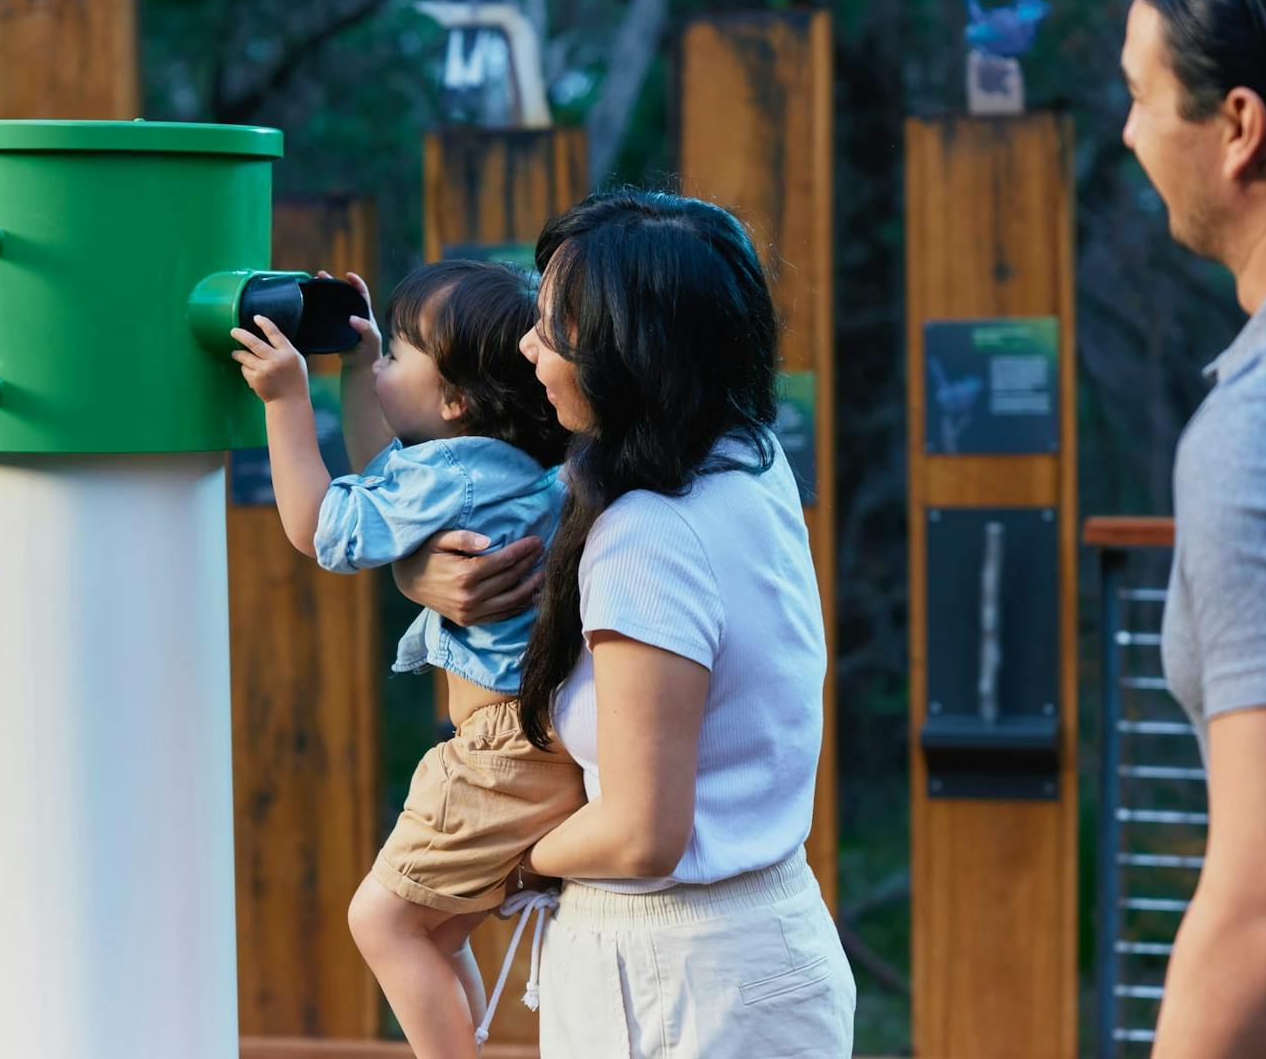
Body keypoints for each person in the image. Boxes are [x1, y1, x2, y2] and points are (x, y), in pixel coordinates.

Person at [399, 190, 855, 1056]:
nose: (529, 347)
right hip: (754, 948)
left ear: (626, 356)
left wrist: (513, 862)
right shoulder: (742, 460)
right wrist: (423, 573)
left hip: (679, 979)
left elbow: (643, 834)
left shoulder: (647, 535)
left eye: (552, 329)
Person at [228, 258, 584, 1058]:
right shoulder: (488, 466)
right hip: (532, 742)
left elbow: (321, 524)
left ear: (454, 400)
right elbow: (385, 476)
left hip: (498, 752)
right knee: (430, 932)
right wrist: (361, 372)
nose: (381, 360)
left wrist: (288, 401)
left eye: (395, 352)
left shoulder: (452, 479)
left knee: (380, 920)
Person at [1123, 0, 1266, 1057]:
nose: (1127, 134)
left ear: (1237, 125)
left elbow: (1258, 895)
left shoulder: (1247, 437)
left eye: (1138, 95)